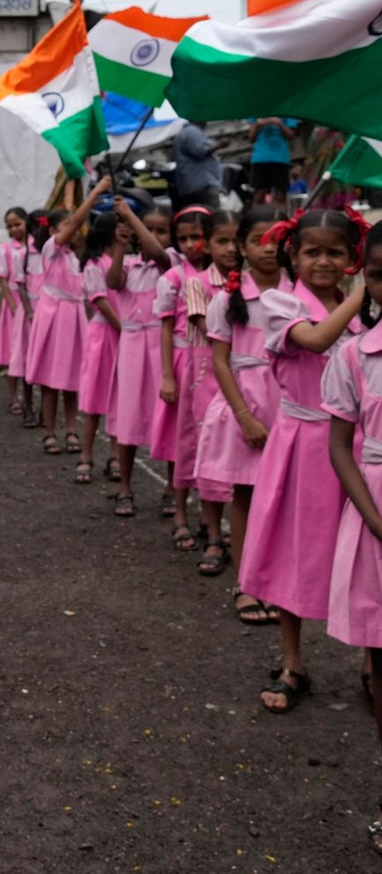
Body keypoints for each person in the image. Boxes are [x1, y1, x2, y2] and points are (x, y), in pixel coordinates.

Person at [239, 209, 369, 713]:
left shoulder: (365, 310)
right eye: (312, 251)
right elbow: (315, 339)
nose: (323, 261)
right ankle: (294, 662)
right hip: (303, 447)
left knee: (362, 554)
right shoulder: (280, 301)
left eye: (335, 252)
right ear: (292, 254)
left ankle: (369, 661)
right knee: (295, 554)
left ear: (351, 258)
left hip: (357, 447)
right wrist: (367, 291)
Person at [194, 207, 288, 623]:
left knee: (286, 498)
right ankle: (247, 584)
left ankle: (281, 583)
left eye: (277, 240)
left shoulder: (298, 295)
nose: (268, 249)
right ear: (242, 247)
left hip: (290, 405)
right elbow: (220, 362)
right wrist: (244, 417)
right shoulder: (226, 299)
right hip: (246, 403)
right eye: (257, 241)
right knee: (246, 495)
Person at [323, 220, 382, 855]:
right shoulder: (354, 353)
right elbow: (339, 444)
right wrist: (370, 517)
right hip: (376, 510)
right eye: (380, 273)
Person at [26, 176, 113, 456]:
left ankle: (72, 429)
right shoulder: (51, 250)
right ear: (51, 230)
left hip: (74, 319)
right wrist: (95, 192)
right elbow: (76, 221)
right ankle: (49, 430)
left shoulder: (79, 258)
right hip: (54, 319)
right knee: (51, 380)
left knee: (73, 379)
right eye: (64, 227)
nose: (73, 231)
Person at [105, 198, 173, 516]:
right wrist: (121, 244)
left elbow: (159, 253)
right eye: (151, 229)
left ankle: (174, 486)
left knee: (168, 416)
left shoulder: (171, 262)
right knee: (129, 418)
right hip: (132, 346)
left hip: (161, 345)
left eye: (162, 231)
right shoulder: (130, 264)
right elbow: (112, 281)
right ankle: (125, 487)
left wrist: (132, 217)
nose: (155, 236)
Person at [185, 210, 240, 573]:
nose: (231, 249)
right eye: (222, 241)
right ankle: (214, 536)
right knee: (212, 457)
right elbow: (214, 333)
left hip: (248, 380)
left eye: (238, 240)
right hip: (210, 375)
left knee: (244, 458)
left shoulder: (258, 286)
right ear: (208, 242)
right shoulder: (199, 284)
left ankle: (241, 533)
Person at [151, 206, 210, 538]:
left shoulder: (224, 276)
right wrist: (167, 375)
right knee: (181, 440)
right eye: (183, 238)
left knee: (209, 440)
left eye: (197, 237)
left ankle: (207, 512)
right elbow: (165, 328)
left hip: (212, 365)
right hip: (183, 363)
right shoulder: (173, 277)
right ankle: (180, 512)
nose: (190, 244)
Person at [76, 211, 120, 484]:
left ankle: (115, 454)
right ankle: (86, 454)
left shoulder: (123, 262)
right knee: (94, 399)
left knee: (118, 397)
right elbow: (100, 301)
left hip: (119, 334)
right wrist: (125, 328)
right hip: (105, 332)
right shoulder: (94, 265)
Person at [0, 207, 31, 418]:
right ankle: (14, 397)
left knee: (30, 352)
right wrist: (16, 310)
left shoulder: (35, 248)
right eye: (9, 226)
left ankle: (29, 399)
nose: (13, 229)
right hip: (14, 306)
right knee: (13, 353)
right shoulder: (5, 250)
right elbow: (4, 284)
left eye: (17, 224)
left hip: (31, 304)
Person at [173, 121, 225, 211]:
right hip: (202, 183)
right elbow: (200, 151)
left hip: (192, 184)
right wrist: (220, 145)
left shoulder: (186, 131)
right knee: (212, 214)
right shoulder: (192, 131)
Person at [248, 118, 299, 205]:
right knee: (259, 194)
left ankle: (280, 217)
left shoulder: (286, 111)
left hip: (281, 158)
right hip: (260, 158)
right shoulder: (257, 112)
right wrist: (257, 124)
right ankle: (257, 217)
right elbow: (251, 138)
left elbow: (291, 136)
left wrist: (280, 123)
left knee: (281, 196)